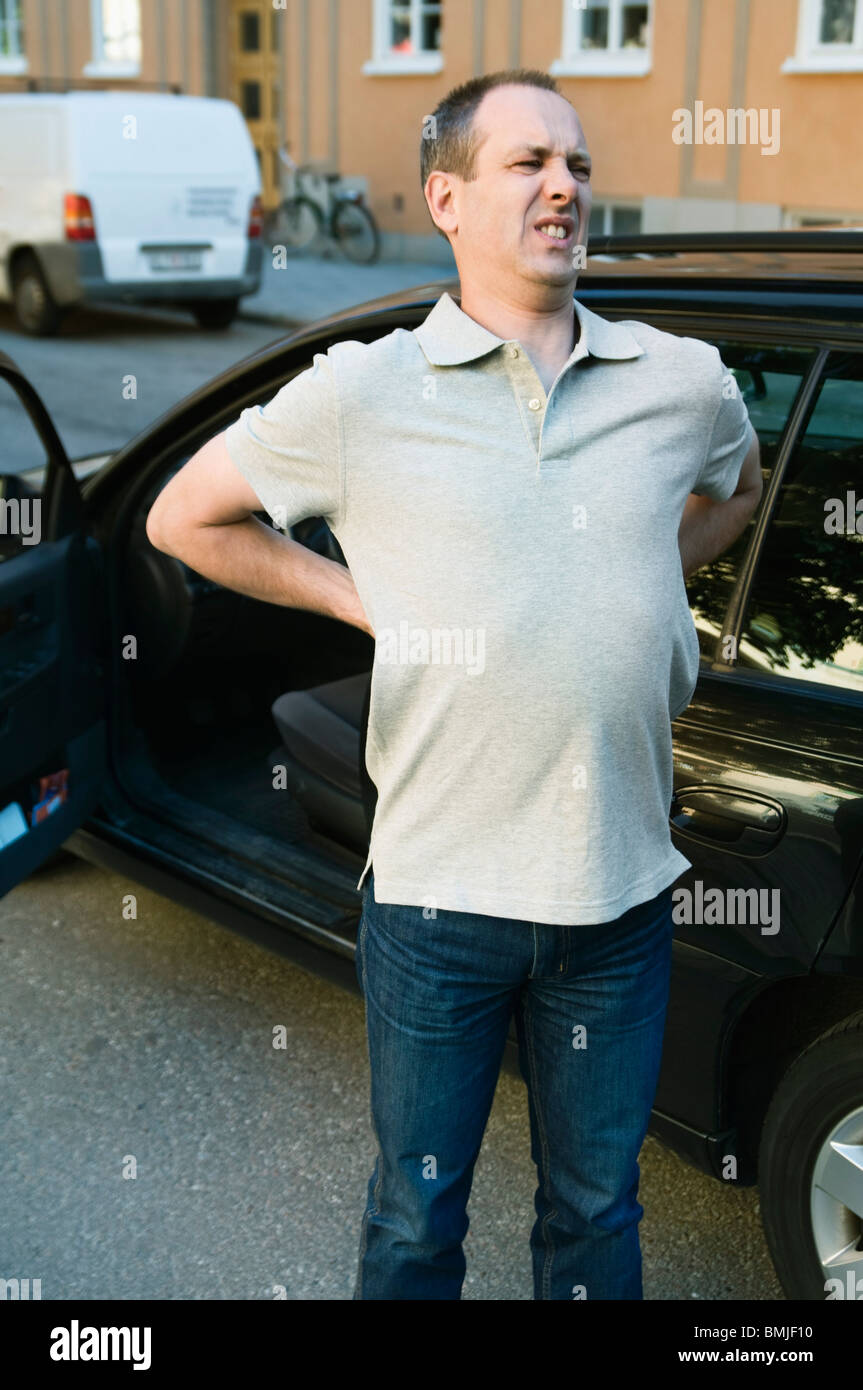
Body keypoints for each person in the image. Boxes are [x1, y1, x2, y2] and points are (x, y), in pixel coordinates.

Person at [145, 68, 763, 1300]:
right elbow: (181, 517)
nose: (562, 186)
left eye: (578, 165)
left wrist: (649, 568)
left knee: (594, 1213)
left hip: (619, 897)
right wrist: (355, 598)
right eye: (526, 162)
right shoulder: (361, 393)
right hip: (437, 906)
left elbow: (734, 491)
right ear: (445, 195)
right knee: (417, 1218)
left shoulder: (678, 380)